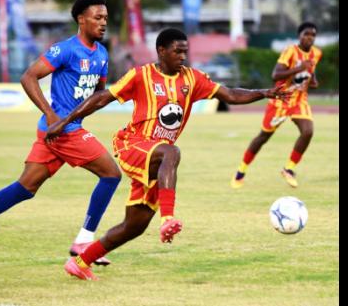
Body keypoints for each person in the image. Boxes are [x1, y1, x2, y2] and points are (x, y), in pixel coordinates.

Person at [44, 28, 289, 280]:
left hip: (157, 159)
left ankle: (81, 262)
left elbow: (230, 94)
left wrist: (263, 93)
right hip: (133, 145)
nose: (183, 56)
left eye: (185, 51)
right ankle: (168, 218)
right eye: (177, 51)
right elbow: (101, 98)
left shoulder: (193, 79)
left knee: (134, 226)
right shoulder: (141, 75)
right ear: (161, 51)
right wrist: (65, 122)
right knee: (171, 151)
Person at [0, 0, 121, 267]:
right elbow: (28, 76)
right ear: (81, 19)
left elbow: (96, 95)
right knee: (111, 175)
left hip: (62, 130)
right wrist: (52, 115)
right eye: (97, 18)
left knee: (24, 188)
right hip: (62, 131)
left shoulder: (102, 54)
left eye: (106, 18)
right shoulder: (65, 50)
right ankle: (85, 239)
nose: (103, 23)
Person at [230, 22, 322, 189]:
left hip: (299, 100)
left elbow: (311, 70)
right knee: (263, 137)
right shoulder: (290, 51)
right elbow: (276, 74)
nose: (309, 37)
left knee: (308, 131)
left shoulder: (316, 53)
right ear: (299, 36)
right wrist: (299, 68)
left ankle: (289, 169)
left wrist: (312, 79)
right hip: (280, 99)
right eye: (306, 34)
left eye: (313, 35)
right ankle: (241, 171)